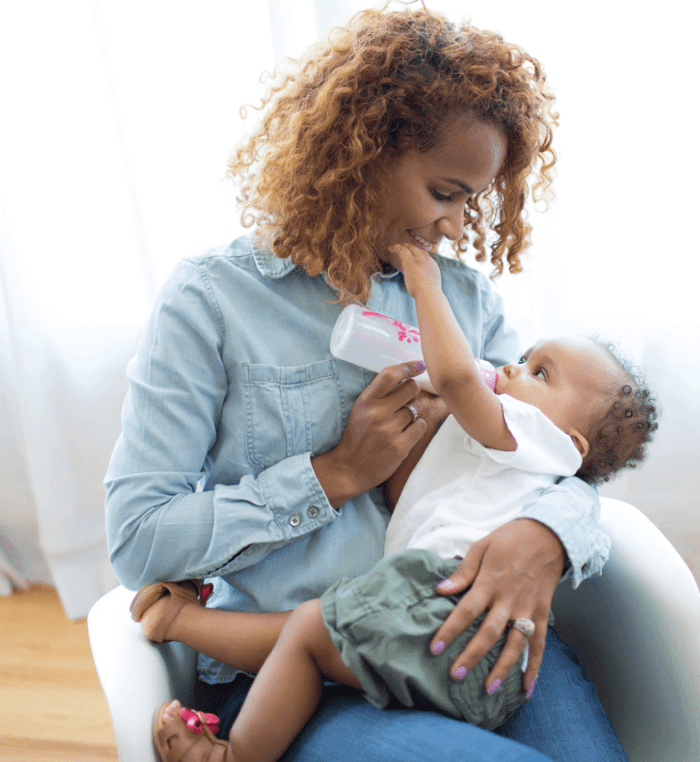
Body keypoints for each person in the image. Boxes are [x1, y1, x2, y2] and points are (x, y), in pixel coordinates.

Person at [106, 2, 631, 761]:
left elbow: (556, 452)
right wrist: (334, 474)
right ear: (363, 156)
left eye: (471, 202)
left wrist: (545, 535)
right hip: (303, 670)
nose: (457, 228)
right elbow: (139, 539)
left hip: (465, 637)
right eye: (445, 193)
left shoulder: (465, 303)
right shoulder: (212, 303)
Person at [139, 240, 658, 762]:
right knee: (314, 630)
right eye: (526, 360)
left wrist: (425, 289)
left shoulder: (519, 405)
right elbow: (401, 501)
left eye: (539, 373)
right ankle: (185, 633)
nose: (512, 369)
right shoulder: (212, 292)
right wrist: (353, 463)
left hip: (449, 609)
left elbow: (458, 377)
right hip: (456, 643)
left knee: (312, 629)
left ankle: (229, 746)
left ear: (572, 445)